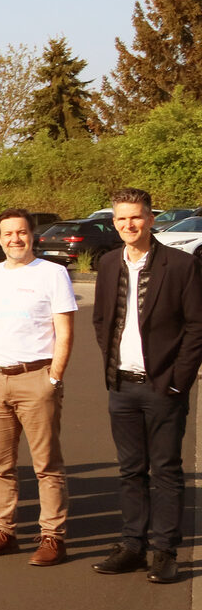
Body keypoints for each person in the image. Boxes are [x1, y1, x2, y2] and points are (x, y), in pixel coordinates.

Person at [91, 187, 202, 584]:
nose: (129, 224)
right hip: (121, 386)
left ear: (151, 219)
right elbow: (102, 320)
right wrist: (113, 363)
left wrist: (177, 381)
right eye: (122, 218)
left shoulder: (181, 265)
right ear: (114, 222)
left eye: (136, 217)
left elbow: (196, 327)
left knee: (166, 471)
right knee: (130, 471)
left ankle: (165, 551)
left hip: (163, 388)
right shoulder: (108, 263)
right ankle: (133, 546)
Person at [0, 209, 75, 566]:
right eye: (8, 233)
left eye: (22, 232)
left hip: (36, 378)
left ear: (32, 235)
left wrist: (54, 378)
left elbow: (65, 331)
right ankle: (3, 531)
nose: (15, 239)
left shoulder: (53, 274)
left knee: (47, 465)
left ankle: (52, 536)